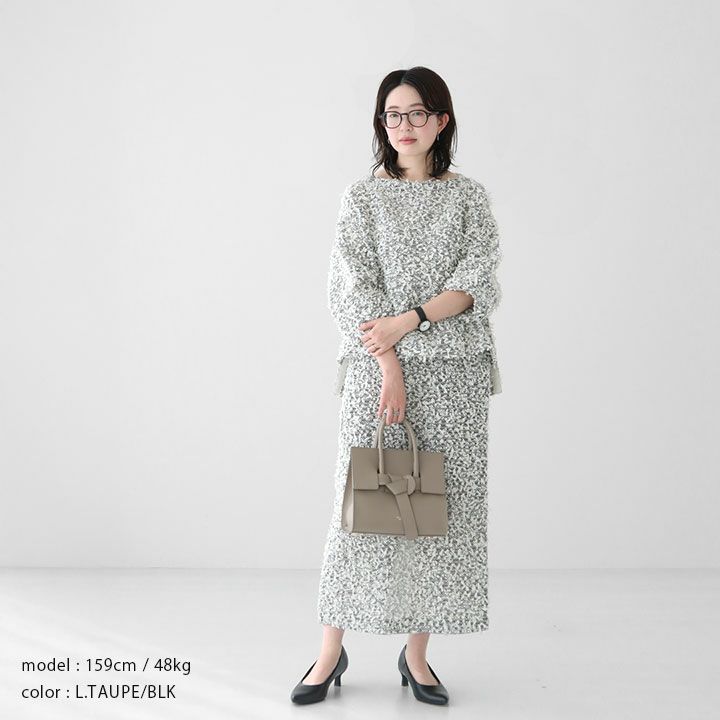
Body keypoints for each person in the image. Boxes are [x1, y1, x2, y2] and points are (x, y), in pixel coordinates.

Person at [291, 66, 503, 706]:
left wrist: (408, 320)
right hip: (376, 369)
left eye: (416, 113)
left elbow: (476, 283)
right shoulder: (362, 198)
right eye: (392, 114)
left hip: (453, 374)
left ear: (441, 120)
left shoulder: (468, 198)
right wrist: (390, 365)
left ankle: (416, 656)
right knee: (359, 509)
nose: (403, 126)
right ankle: (330, 650)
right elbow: (350, 288)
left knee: (435, 513)